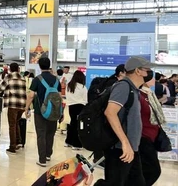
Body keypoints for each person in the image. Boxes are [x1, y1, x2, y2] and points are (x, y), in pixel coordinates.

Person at [94, 56, 149, 186]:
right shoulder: (123, 87)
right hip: (120, 148)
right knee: (114, 183)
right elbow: (110, 112)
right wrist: (124, 142)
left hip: (131, 148)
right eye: (146, 69)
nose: (148, 72)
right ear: (138, 71)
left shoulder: (134, 90)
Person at [24, 57, 60, 167]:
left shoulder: (37, 79)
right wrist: (60, 112)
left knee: (41, 134)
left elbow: (31, 96)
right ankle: (48, 154)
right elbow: (59, 97)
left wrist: (26, 108)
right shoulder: (56, 80)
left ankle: (42, 159)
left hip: (40, 111)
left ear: (39, 66)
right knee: (50, 133)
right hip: (53, 111)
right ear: (49, 65)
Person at [138, 70, 163, 186]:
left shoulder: (150, 95)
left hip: (151, 137)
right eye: (152, 78)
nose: (155, 81)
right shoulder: (140, 95)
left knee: (144, 170)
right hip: (143, 137)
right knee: (154, 171)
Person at [0, 62, 27, 154]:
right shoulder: (23, 78)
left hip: (13, 104)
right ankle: (19, 141)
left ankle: (12, 146)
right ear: (18, 69)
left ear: (9, 69)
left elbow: (1, 88)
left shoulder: (9, 77)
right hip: (22, 105)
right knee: (16, 122)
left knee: (12, 125)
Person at [64, 70, 87, 150]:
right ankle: (76, 144)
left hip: (71, 107)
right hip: (80, 107)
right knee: (79, 125)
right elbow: (85, 99)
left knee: (72, 123)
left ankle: (68, 141)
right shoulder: (83, 87)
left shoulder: (69, 86)